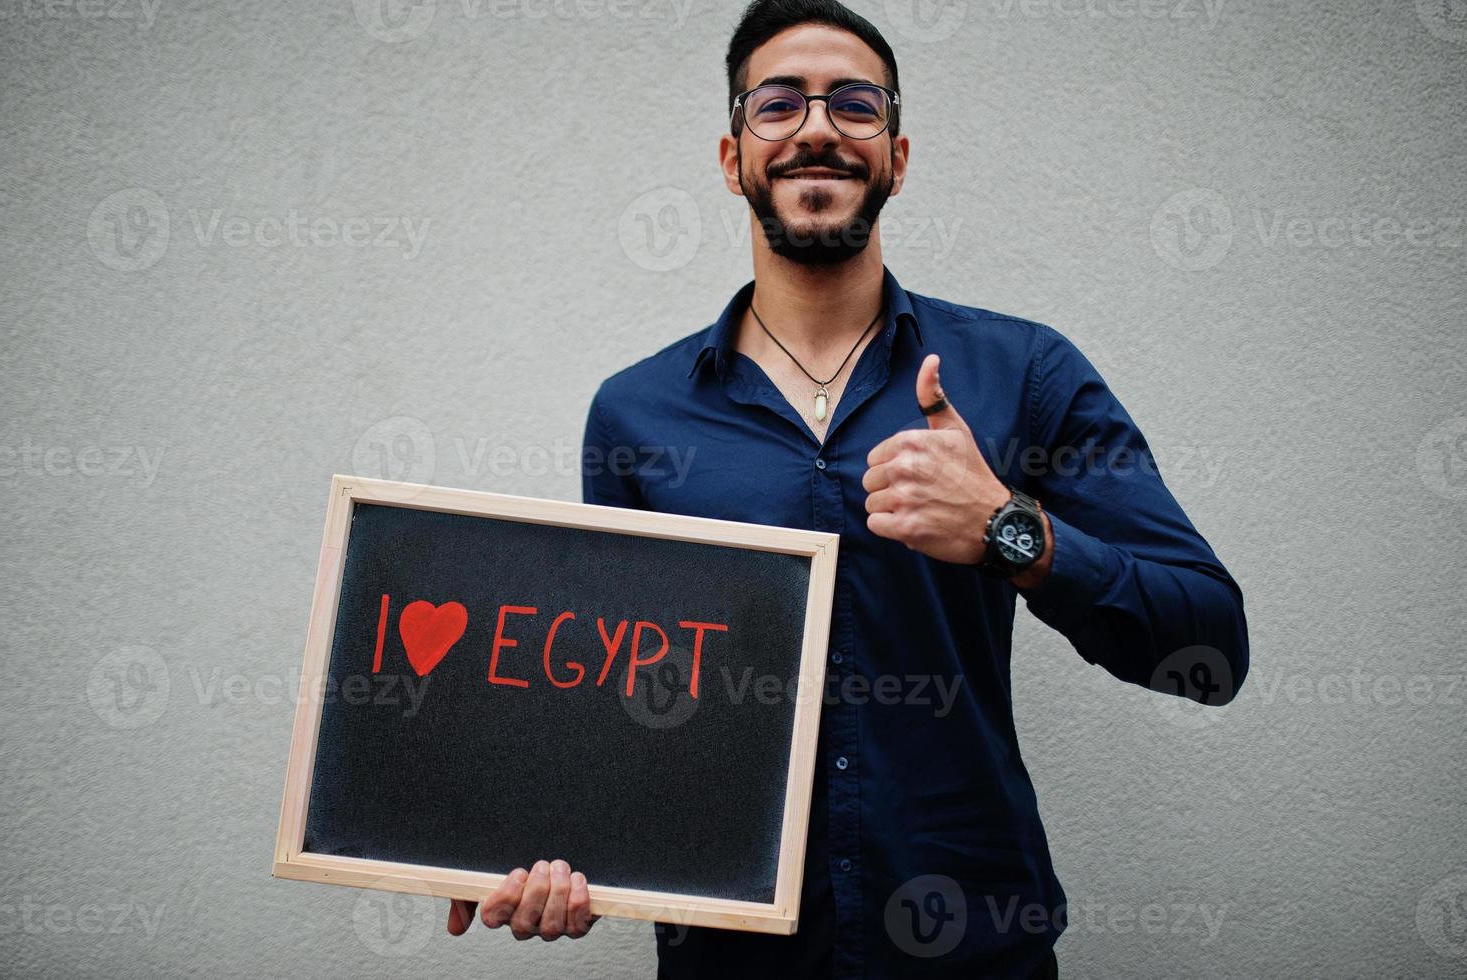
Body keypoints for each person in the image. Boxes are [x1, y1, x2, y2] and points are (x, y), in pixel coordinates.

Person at [443, 1, 1249, 976]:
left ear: (897, 157)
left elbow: (1208, 645)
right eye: (777, 104)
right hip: (730, 955)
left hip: (974, 953)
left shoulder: (1024, 371)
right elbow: (606, 701)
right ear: (733, 156)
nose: (817, 126)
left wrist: (1007, 527)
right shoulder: (635, 415)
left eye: (855, 105)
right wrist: (545, 844)